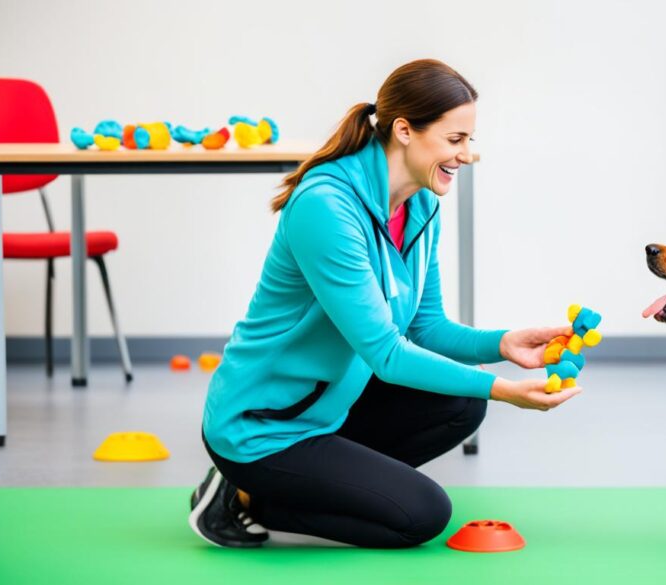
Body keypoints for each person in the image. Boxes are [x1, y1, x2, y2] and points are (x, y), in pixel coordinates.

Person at [189, 59, 582, 549]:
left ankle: (296, 487)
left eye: (470, 140)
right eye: (456, 139)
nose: (468, 155)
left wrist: (505, 343)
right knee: (421, 516)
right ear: (404, 131)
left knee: (463, 402)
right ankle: (246, 495)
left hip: (329, 406)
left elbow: (426, 327)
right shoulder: (326, 206)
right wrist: (505, 390)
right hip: (264, 426)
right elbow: (387, 354)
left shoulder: (420, 205)